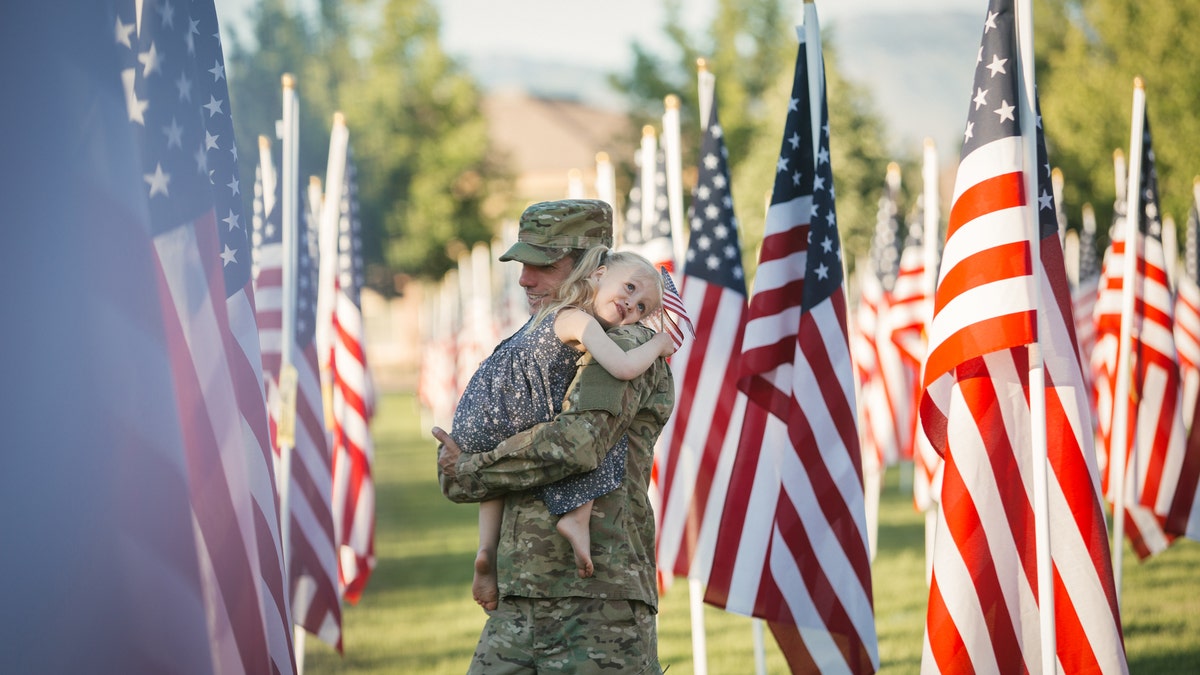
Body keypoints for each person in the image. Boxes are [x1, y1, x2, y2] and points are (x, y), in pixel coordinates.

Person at [433, 198, 675, 674]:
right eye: (524, 263)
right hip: (520, 594)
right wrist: (466, 467)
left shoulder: (625, 342)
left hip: (596, 603)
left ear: (593, 267)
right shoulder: (538, 341)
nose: (525, 278)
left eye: (544, 264)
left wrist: (470, 469)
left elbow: (576, 445)